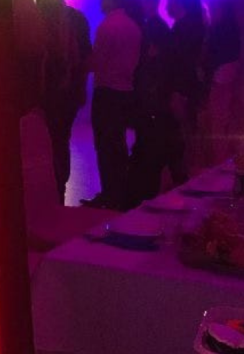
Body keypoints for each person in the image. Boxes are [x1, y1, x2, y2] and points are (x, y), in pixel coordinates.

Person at [81, 0, 142, 211]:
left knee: (105, 145)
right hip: (126, 91)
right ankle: (120, 193)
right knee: (118, 144)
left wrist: (78, 63)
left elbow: (96, 61)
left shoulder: (107, 26)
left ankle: (109, 194)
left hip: (107, 92)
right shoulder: (132, 26)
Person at [38, 0, 92, 204]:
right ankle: (59, 190)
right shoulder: (77, 19)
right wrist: (81, 88)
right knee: (61, 140)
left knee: (47, 142)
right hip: (69, 93)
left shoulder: (38, 17)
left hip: (45, 94)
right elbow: (87, 58)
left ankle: (49, 192)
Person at [127, 0, 179, 204]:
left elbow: (154, 66)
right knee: (150, 145)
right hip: (155, 100)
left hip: (152, 100)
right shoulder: (159, 27)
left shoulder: (152, 27)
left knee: (148, 146)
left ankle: (141, 195)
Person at [165, 0, 206, 178]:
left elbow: (178, 61)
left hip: (181, 86)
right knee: (189, 129)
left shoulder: (182, 28)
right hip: (190, 84)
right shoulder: (196, 25)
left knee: (183, 130)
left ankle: (185, 172)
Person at [201, 0, 242, 167]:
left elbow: (211, 54)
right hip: (229, 73)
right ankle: (226, 158)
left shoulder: (218, 28)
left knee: (218, 119)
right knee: (225, 117)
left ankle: (220, 160)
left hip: (220, 75)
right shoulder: (232, 27)